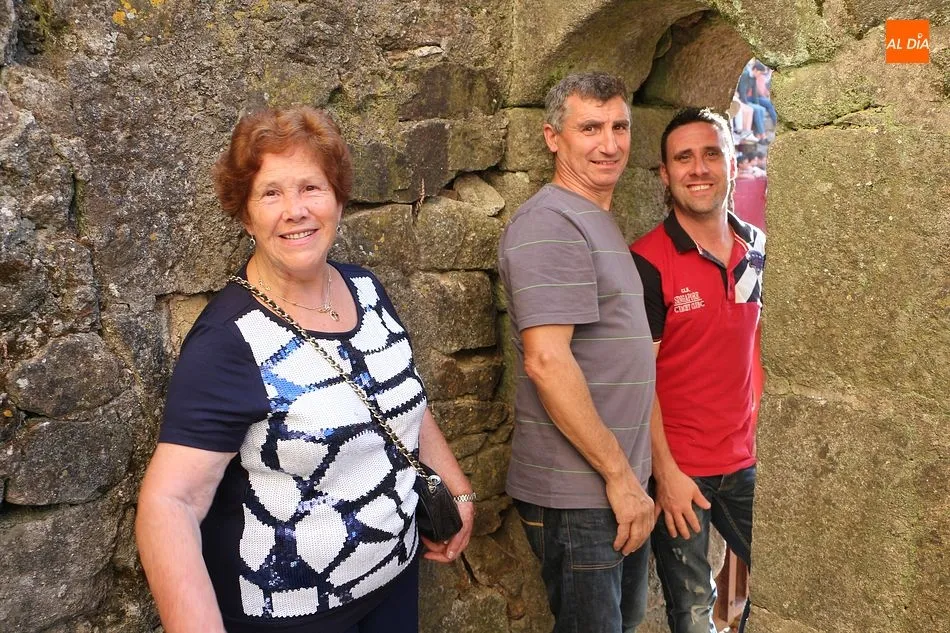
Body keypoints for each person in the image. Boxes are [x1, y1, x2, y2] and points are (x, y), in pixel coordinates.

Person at [135, 106, 475, 633]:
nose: (295, 211)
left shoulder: (364, 289)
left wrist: (456, 488)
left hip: (394, 578)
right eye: (271, 193)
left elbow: (395, 395)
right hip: (292, 610)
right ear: (245, 215)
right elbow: (169, 504)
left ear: (338, 199)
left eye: (311, 188)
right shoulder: (228, 341)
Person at [497, 72, 655, 633]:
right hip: (582, 495)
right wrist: (619, 477)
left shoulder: (595, 219)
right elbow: (546, 361)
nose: (609, 144)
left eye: (619, 127)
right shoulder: (550, 223)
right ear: (552, 137)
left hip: (615, 489)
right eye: (590, 128)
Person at [630, 107, 765, 633]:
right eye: (683, 158)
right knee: (691, 613)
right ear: (665, 175)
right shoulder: (645, 261)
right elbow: (639, 380)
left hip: (749, 461)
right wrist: (665, 474)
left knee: (785, 583)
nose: (699, 168)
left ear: (732, 162)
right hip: (681, 469)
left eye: (711, 153)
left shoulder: (757, 249)